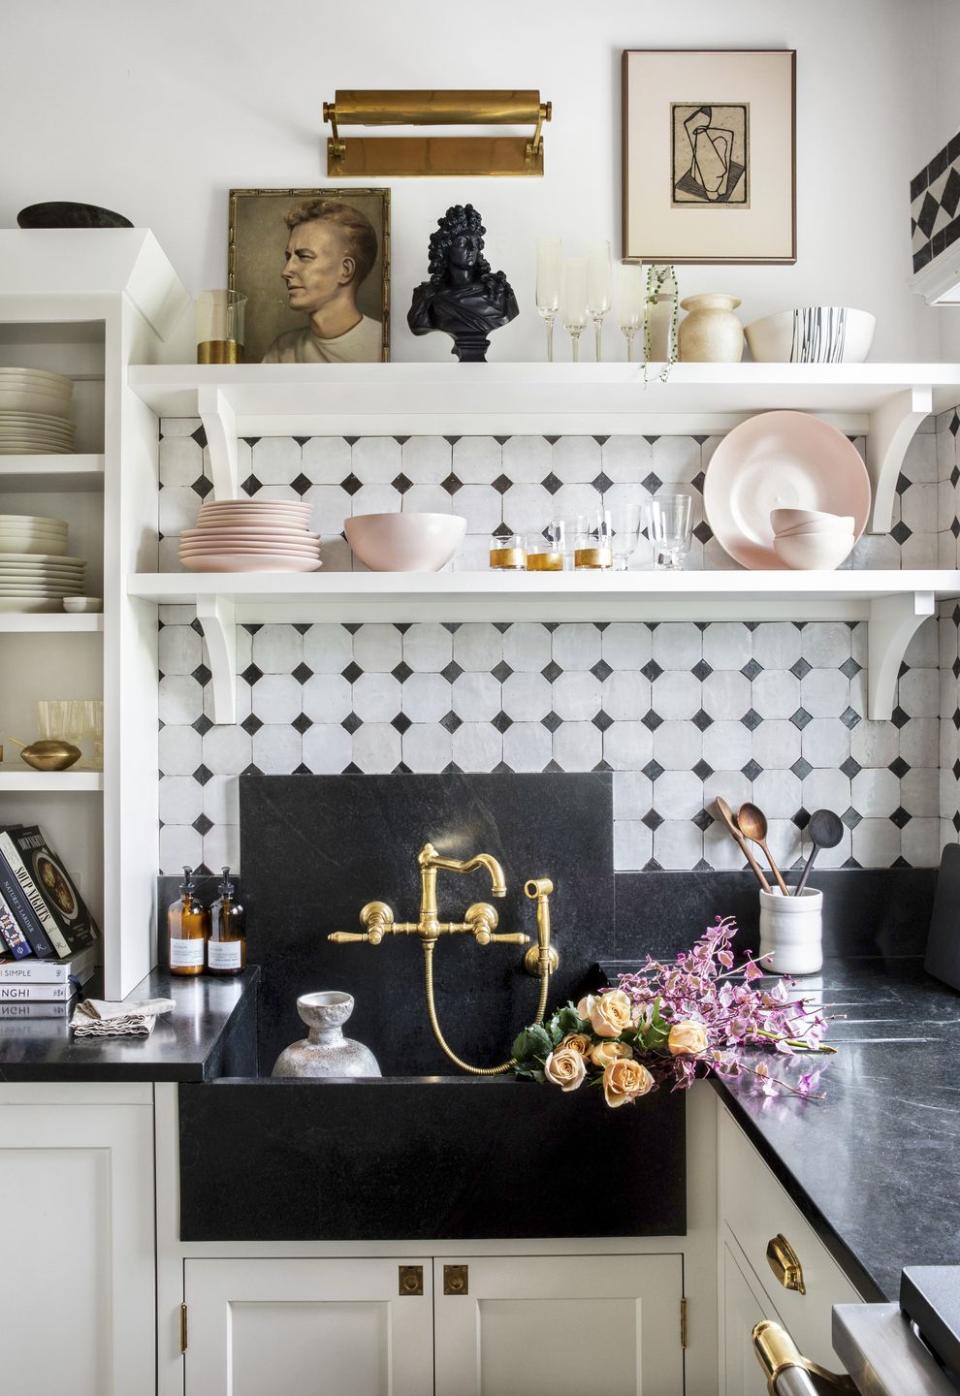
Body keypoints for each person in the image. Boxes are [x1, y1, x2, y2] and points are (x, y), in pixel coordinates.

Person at [263, 199, 383, 363]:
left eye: (304, 256)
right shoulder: (282, 351)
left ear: (345, 270)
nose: (285, 272)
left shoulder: (382, 345)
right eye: (288, 257)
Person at [407, 204, 518, 362]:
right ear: (446, 249)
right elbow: (417, 326)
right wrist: (424, 301)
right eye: (462, 243)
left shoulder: (498, 292)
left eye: (475, 242)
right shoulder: (428, 295)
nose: (472, 248)